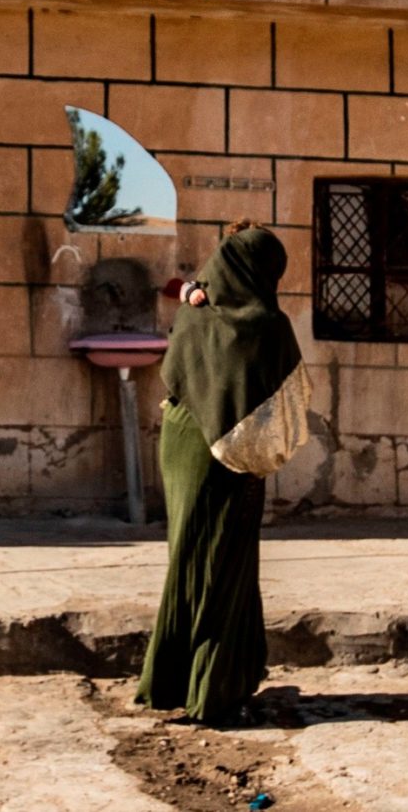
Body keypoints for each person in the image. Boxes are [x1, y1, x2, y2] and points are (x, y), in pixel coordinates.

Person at [135, 222, 311, 726]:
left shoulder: (198, 311)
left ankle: (178, 681)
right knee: (224, 563)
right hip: (231, 457)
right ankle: (212, 687)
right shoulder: (268, 324)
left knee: (189, 555)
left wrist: (190, 289)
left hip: (180, 440)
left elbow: (179, 369)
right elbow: (289, 401)